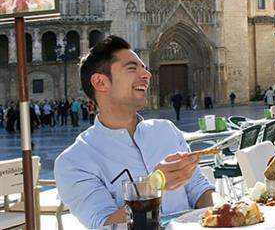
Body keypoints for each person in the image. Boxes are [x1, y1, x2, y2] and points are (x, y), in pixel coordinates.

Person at [54, 36, 214, 229]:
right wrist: (154, 185)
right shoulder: (74, 162)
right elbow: (104, 225)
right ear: (100, 82)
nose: (147, 74)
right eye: (132, 68)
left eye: (144, 67)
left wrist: (218, 220)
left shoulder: (166, 130)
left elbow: (199, 189)